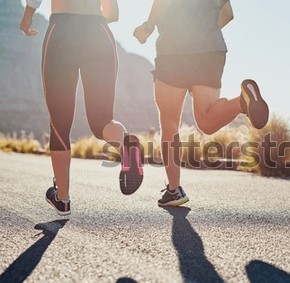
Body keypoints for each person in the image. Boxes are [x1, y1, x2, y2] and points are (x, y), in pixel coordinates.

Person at [133, 0, 269, 207]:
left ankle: (174, 190)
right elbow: (228, 14)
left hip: (173, 51)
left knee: (169, 125)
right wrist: (203, 34)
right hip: (210, 49)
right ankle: (242, 102)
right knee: (207, 120)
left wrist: (147, 28)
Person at [20, 0, 144, 216]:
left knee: (59, 124)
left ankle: (63, 199)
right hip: (99, 32)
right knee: (102, 120)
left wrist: (28, 15)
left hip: (63, 31)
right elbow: (112, 13)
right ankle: (126, 145)